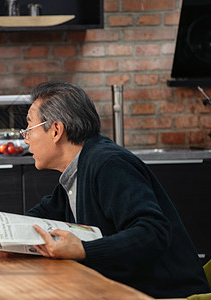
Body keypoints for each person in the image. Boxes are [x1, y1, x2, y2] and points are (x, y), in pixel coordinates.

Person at [23, 82, 210, 298]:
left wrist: (83, 250)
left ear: (56, 130)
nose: (25, 139)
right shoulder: (76, 172)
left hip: (166, 295)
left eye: (28, 129)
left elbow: (153, 232)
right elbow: (35, 219)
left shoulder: (107, 164)